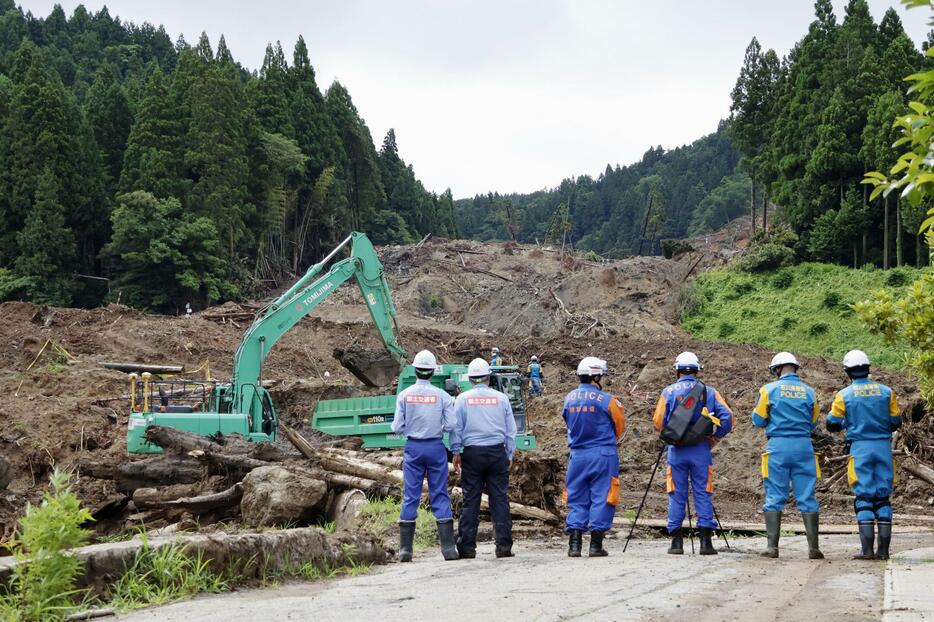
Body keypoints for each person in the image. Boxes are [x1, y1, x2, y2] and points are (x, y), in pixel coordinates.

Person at [652, 352, 733, 555]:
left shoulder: (668, 392)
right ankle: (706, 543)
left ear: (677, 370)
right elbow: (728, 416)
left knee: (676, 495)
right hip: (700, 450)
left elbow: (658, 420)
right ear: (697, 370)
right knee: (703, 493)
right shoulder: (709, 392)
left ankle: (676, 543)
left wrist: (672, 435)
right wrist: (715, 437)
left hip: (676, 451)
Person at [826, 350, 901, 560]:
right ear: (868, 368)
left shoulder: (844, 395)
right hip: (883, 449)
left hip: (860, 449)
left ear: (848, 372)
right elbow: (896, 422)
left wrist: (846, 424)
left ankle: (867, 550)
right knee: (883, 499)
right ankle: (884, 551)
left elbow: (832, 422)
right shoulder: (887, 392)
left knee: (864, 498)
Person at [752, 352, 824, 559]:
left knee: (774, 494)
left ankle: (772, 548)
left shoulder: (768, 390)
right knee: (807, 495)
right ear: (795, 368)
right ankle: (813, 548)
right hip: (804, 447)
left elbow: (758, 419)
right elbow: (814, 422)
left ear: (777, 369)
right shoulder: (810, 392)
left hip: (778, 447)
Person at [391, 349, 458, 562]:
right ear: (432, 371)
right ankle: (448, 549)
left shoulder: (404, 395)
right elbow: (451, 425)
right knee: (440, 493)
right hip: (436, 447)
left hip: (413, 448)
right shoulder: (443, 396)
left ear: (415, 370)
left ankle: (405, 551)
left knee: (411, 495)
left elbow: (397, 426)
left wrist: (411, 426)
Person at [450, 358, 517, 559]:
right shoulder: (502, 398)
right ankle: (504, 546)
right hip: (497, 452)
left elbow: (456, 429)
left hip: (473, 453)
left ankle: (467, 547)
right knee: (500, 499)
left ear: (470, 379)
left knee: (471, 500)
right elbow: (510, 430)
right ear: (488, 377)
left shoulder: (462, 399)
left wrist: (455, 452)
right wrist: (509, 453)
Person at [562, 356, 625, 557]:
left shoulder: (568, 399)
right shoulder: (608, 401)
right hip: (603, 454)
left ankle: (574, 544)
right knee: (603, 495)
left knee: (576, 496)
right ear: (595, 376)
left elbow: (568, 422)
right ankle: (596, 545)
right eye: (603, 376)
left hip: (577, 455)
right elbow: (619, 426)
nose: (604, 380)